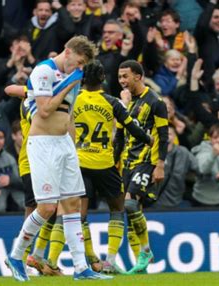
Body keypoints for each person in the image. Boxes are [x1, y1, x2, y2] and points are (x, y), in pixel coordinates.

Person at [4, 35, 111, 281]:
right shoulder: (44, 71)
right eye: (79, 61)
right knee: (46, 208)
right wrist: (71, 80)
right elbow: (45, 109)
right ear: (68, 51)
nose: (80, 68)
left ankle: (81, 268)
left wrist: (73, 146)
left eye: (84, 65)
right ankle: (16, 255)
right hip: (43, 145)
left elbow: (68, 114)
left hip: (64, 144)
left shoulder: (72, 77)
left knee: (73, 205)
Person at [73, 60, 152, 274]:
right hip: (105, 164)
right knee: (117, 209)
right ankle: (109, 260)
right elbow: (131, 127)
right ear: (103, 79)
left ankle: (90, 257)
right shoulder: (111, 102)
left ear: (82, 80)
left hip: (79, 163)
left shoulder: (73, 101)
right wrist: (148, 140)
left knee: (80, 215)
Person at [114, 60, 168, 274]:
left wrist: (160, 164)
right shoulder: (124, 102)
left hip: (147, 161)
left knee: (129, 205)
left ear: (138, 76)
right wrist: (113, 162)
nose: (122, 81)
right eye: (119, 77)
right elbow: (119, 135)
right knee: (132, 212)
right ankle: (141, 266)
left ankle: (145, 251)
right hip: (126, 163)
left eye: (125, 76)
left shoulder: (156, 102)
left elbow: (163, 136)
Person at [4, 84, 64, 276]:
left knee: (52, 209)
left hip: (49, 160)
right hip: (30, 161)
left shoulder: (58, 99)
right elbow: (9, 89)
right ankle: (21, 259)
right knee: (33, 210)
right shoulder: (35, 97)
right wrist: (31, 90)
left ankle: (35, 257)